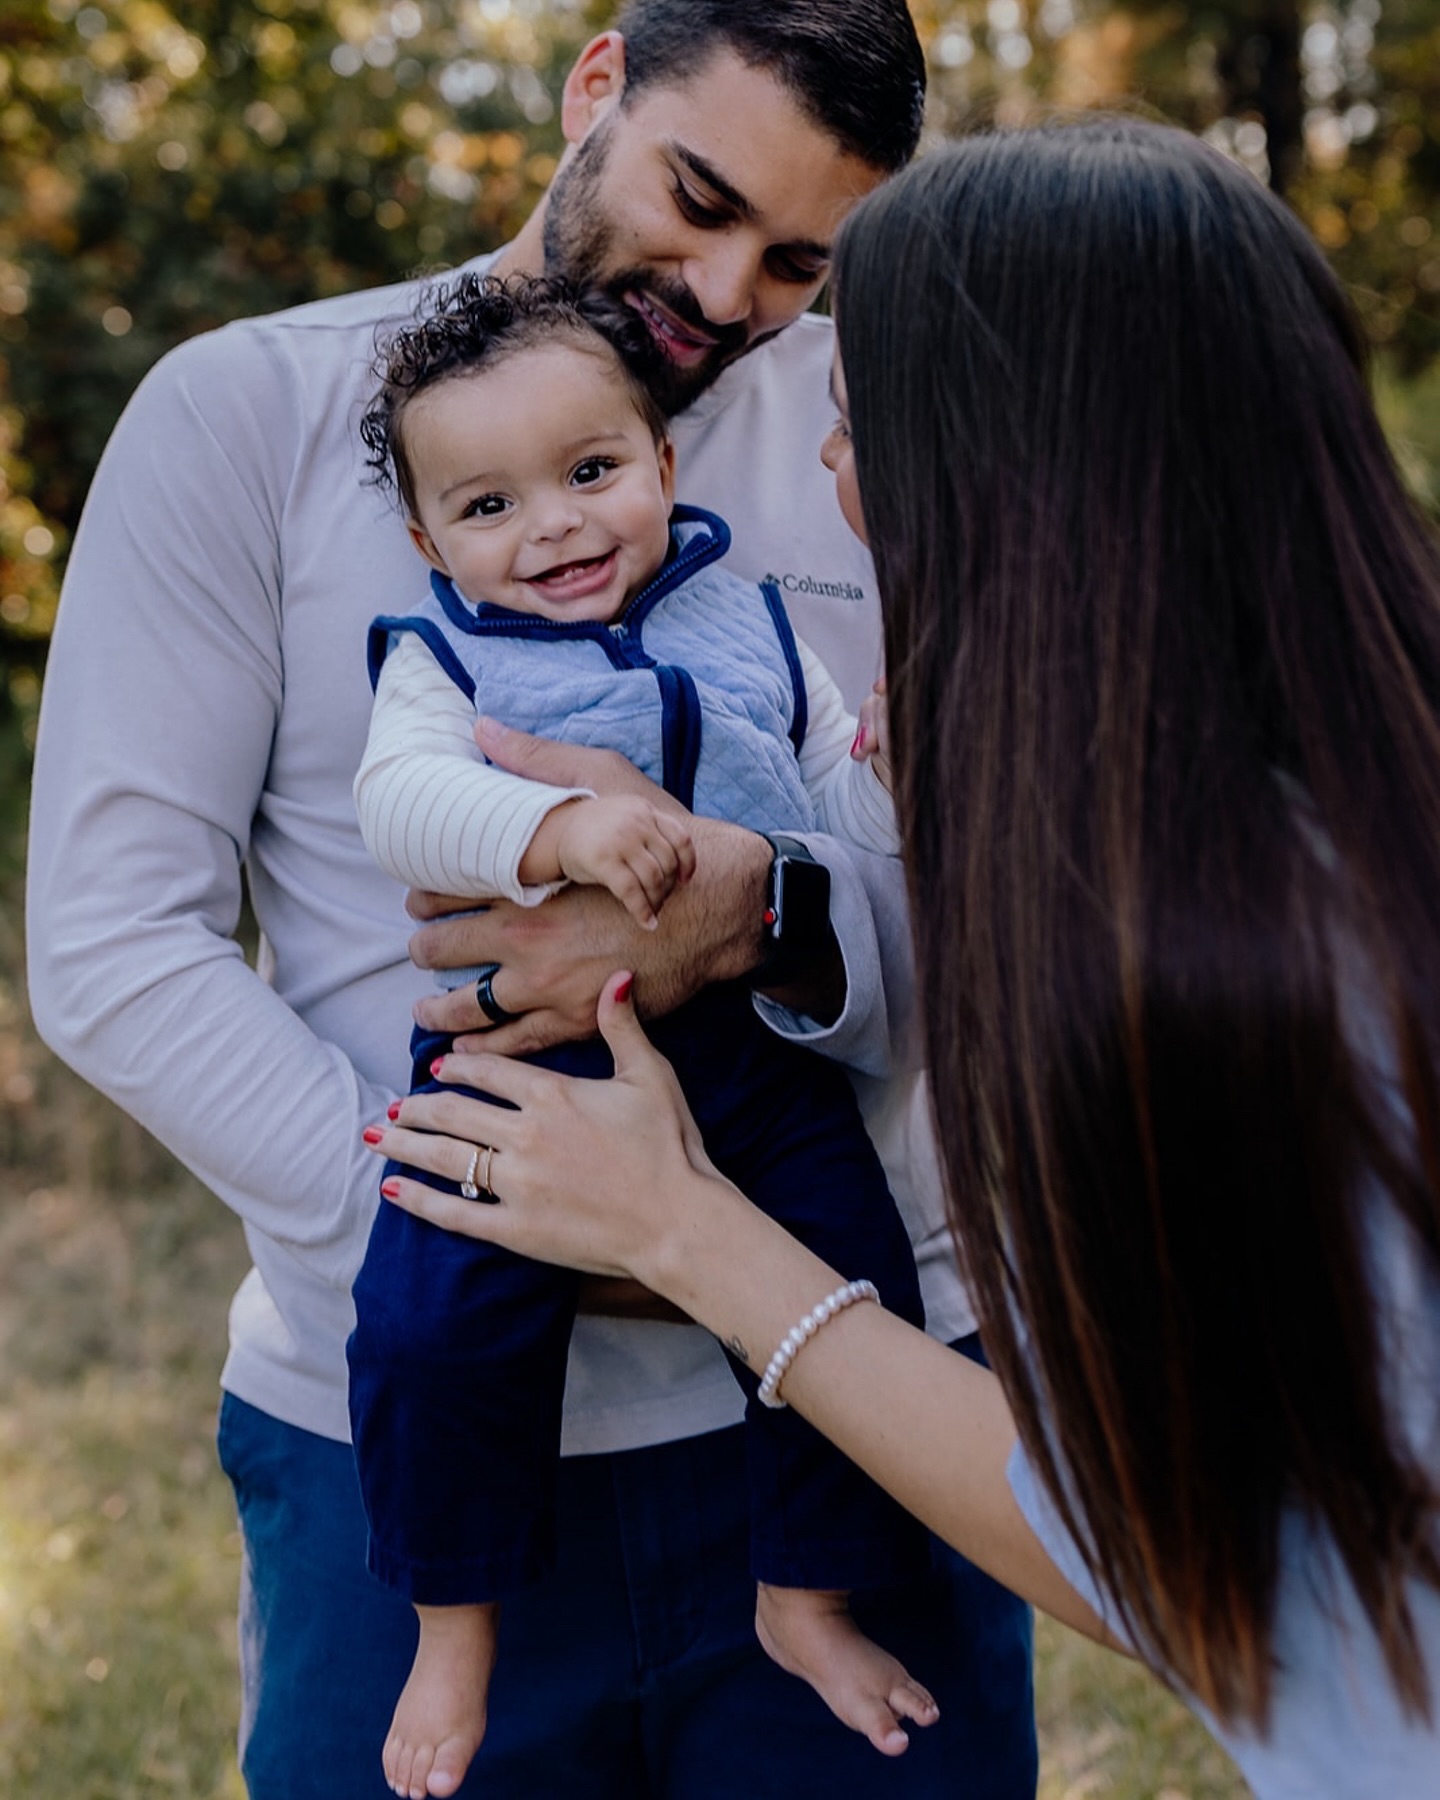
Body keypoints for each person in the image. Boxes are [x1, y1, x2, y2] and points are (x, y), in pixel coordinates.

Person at [25, 3, 1037, 1796]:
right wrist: (486, 1219)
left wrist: (764, 912)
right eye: (697, 197)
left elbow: (993, 893)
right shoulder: (252, 415)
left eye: (799, 259)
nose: (729, 294)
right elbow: (116, 949)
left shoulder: (887, 433)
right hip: (399, 1424)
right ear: (594, 90)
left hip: (858, 1396)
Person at [367, 118, 1440, 1799]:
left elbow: (1161, 1556)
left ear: (1010, 466)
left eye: (858, 425)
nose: (833, 476)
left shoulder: (1262, 956)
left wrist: (681, 1225)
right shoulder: (1217, 792)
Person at [348, 272, 935, 1797]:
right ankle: (453, 1622)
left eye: (592, 473)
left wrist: (881, 774)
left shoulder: (746, 624)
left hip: (750, 1050)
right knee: (429, 1324)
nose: (551, 527)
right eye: (488, 505)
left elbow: (823, 811)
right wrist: (558, 825)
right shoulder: (443, 663)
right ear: (428, 545)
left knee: (847, 1280)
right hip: (519, 1060)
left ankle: (802, 1595)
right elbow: (401, 801)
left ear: (665, 468)